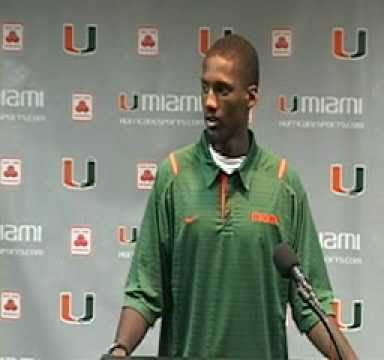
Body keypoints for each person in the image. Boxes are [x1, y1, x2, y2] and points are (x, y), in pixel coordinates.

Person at [108, 34, 358, 360]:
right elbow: (145, 291)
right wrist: (120, 349)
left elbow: (312, 306)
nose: (209, 101)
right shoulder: (173, 176)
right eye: (205, 88)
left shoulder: (284, 184)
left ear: (250, 97)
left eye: (222, 90)